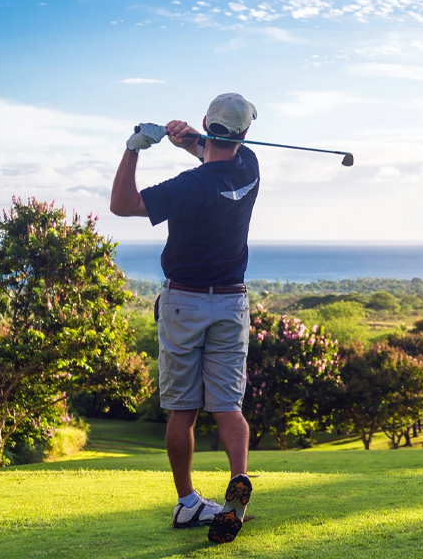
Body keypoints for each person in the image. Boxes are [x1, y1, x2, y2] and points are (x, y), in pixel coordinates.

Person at [109, 93, 260, 544]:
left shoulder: (187, 187)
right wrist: (186, 141)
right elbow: (214, 152)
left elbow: (122, 204)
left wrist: (135, 145)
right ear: (245, 134)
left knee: (183, 410)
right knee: (228, 407)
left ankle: (188, 503)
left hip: (184, 303)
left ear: (205, 123)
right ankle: (237, 487)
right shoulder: (250, 167)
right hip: (231, 302)